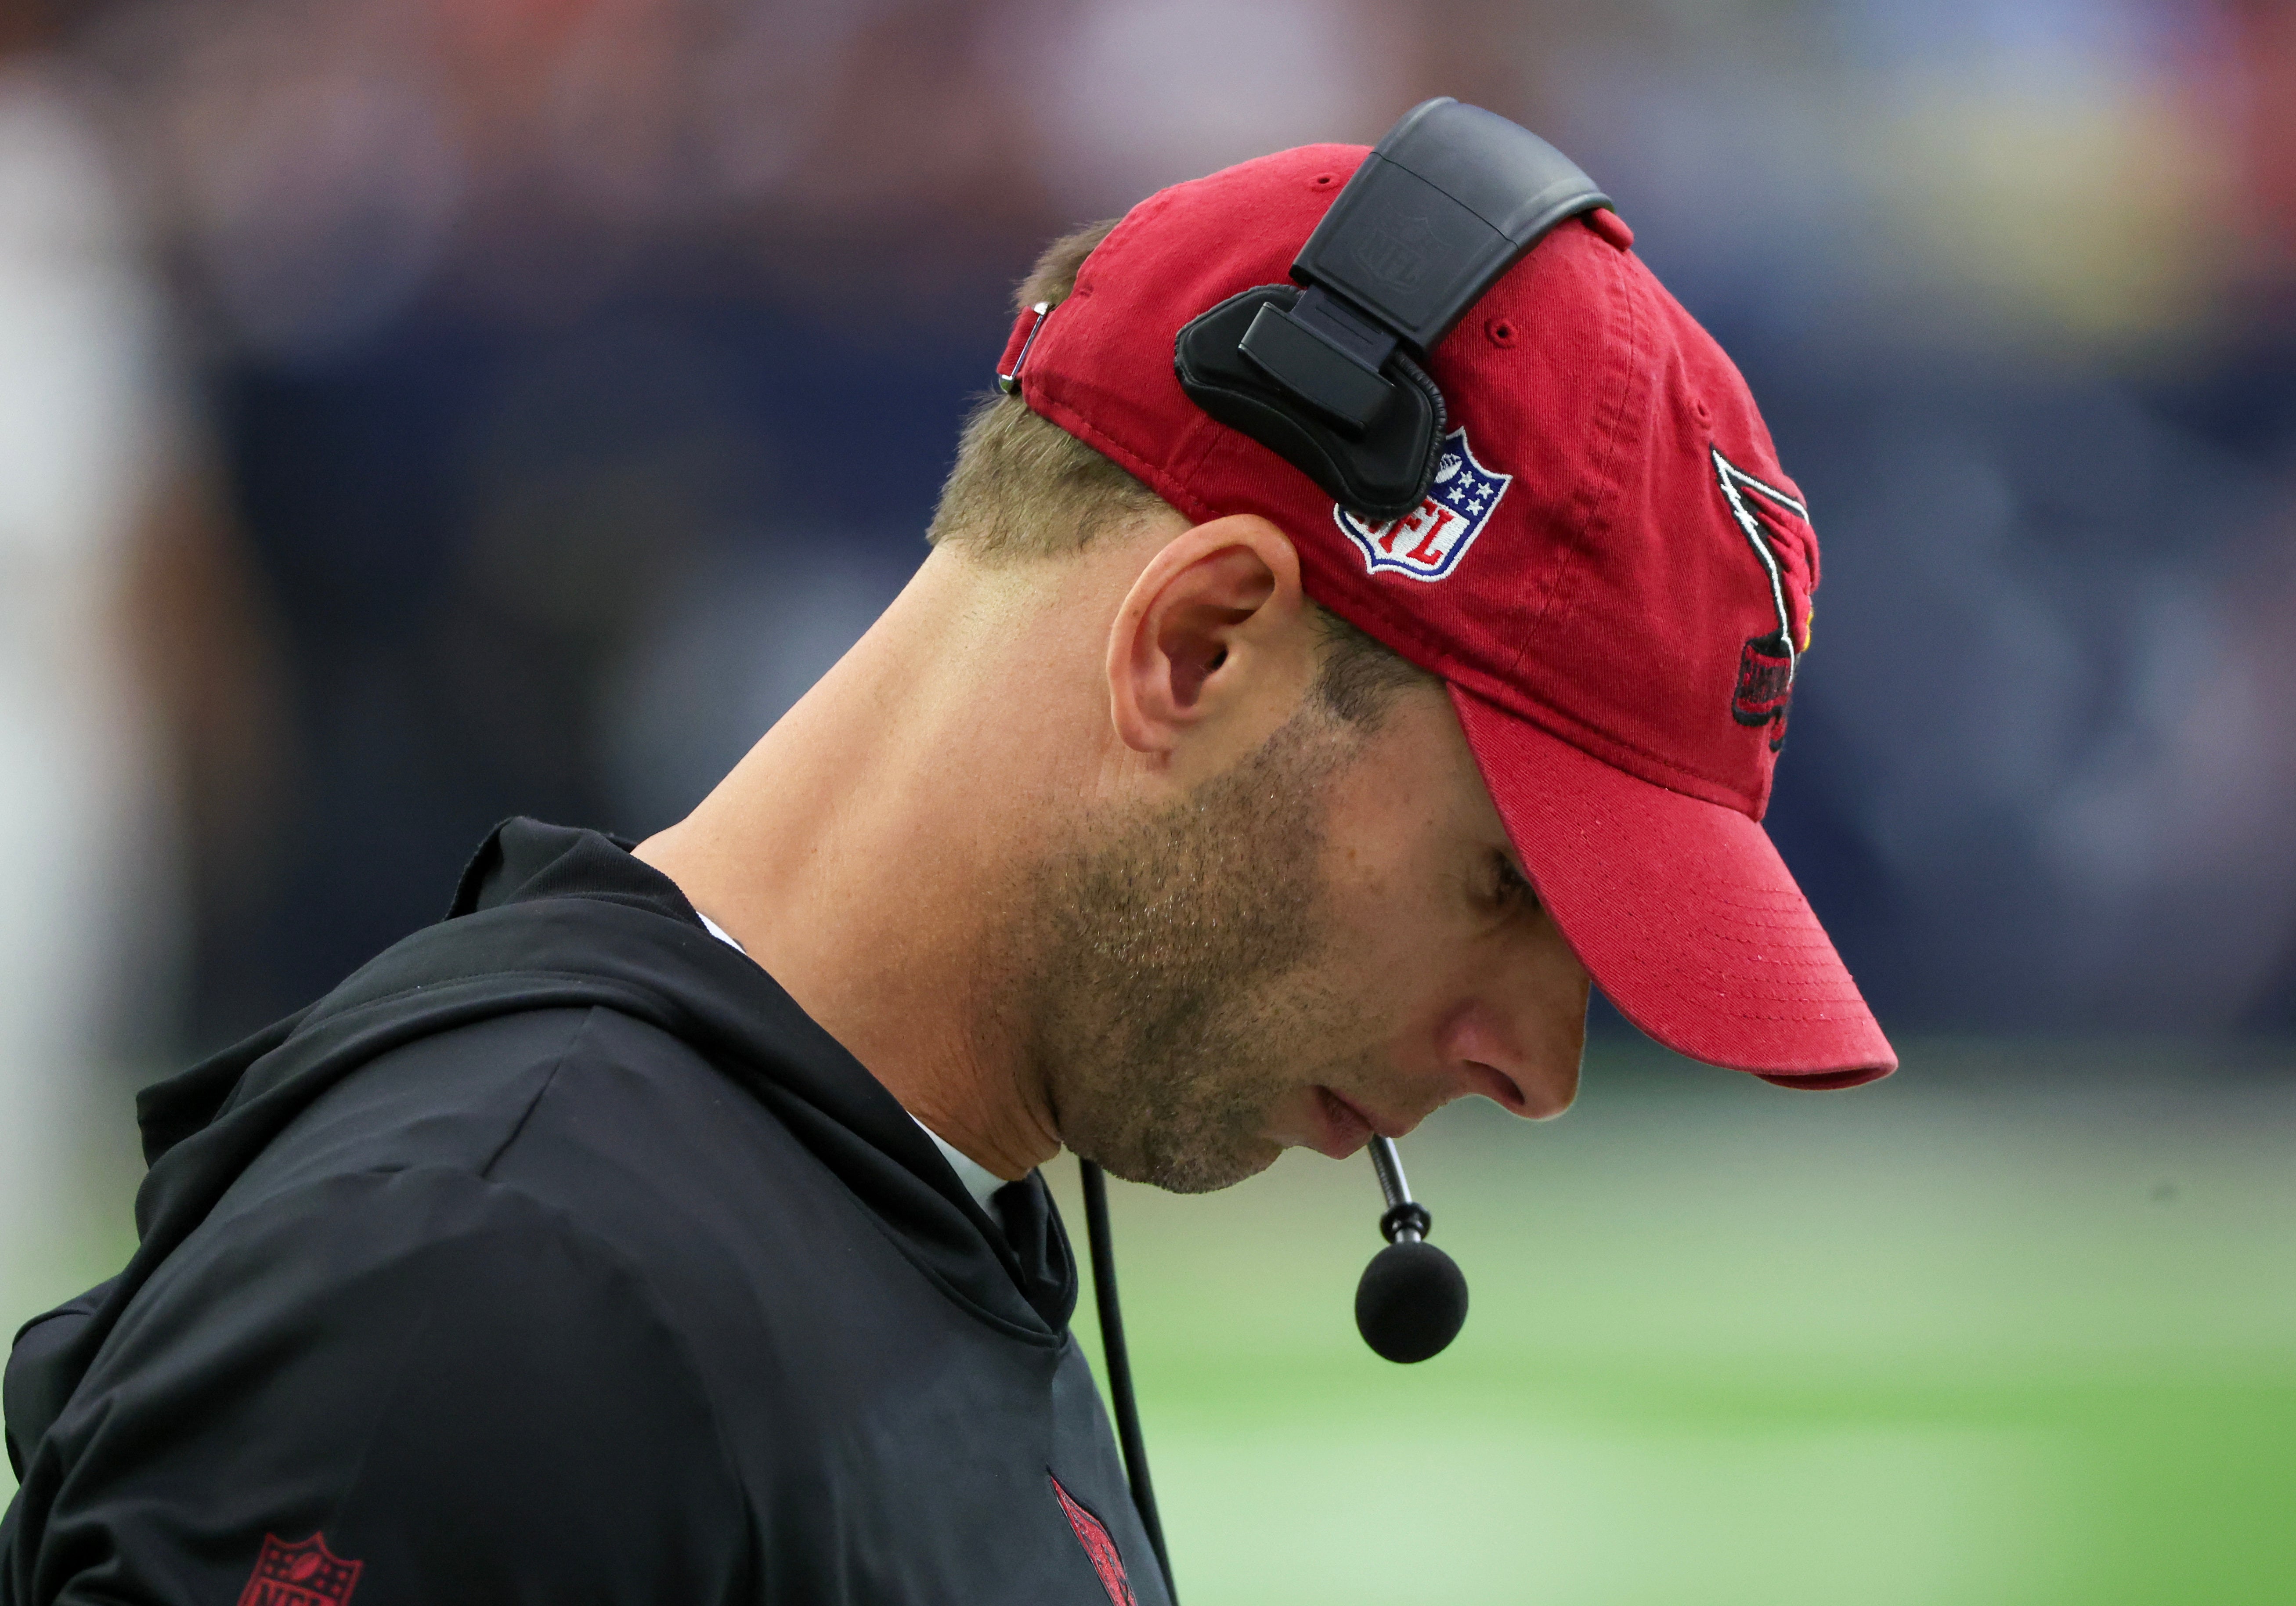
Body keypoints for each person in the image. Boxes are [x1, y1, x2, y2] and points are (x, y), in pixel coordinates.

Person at [0, 107, 1893, 1606]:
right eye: (1512, 889)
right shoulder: (496, 1306)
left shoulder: (866, 1216)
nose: (1538, 1070)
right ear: (1197, 649)